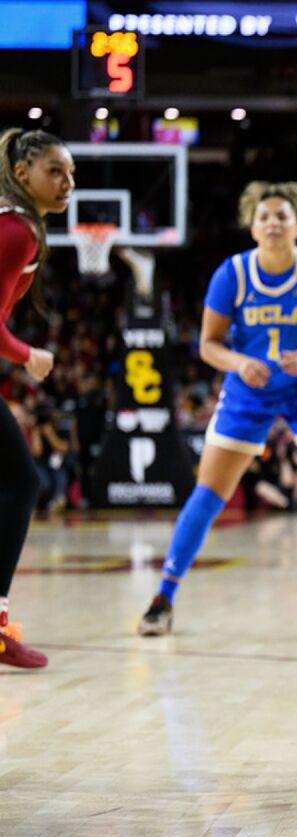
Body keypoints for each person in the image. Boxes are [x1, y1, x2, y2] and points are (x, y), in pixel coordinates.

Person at [135, 181, 297, 637]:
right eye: (264, 217)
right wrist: (240, 362)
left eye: (282, 216)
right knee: (208, 493)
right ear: (252, 226)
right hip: (250, 392)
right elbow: (208, 345)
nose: (273, 223)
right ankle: (162, 599)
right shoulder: (232, 274)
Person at [0, 128, 72, 669]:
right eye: (55, 171)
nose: (67, 182)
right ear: (23, 173)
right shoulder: (18, 230)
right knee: (23, 482)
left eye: (71, 173)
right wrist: (29, 355)